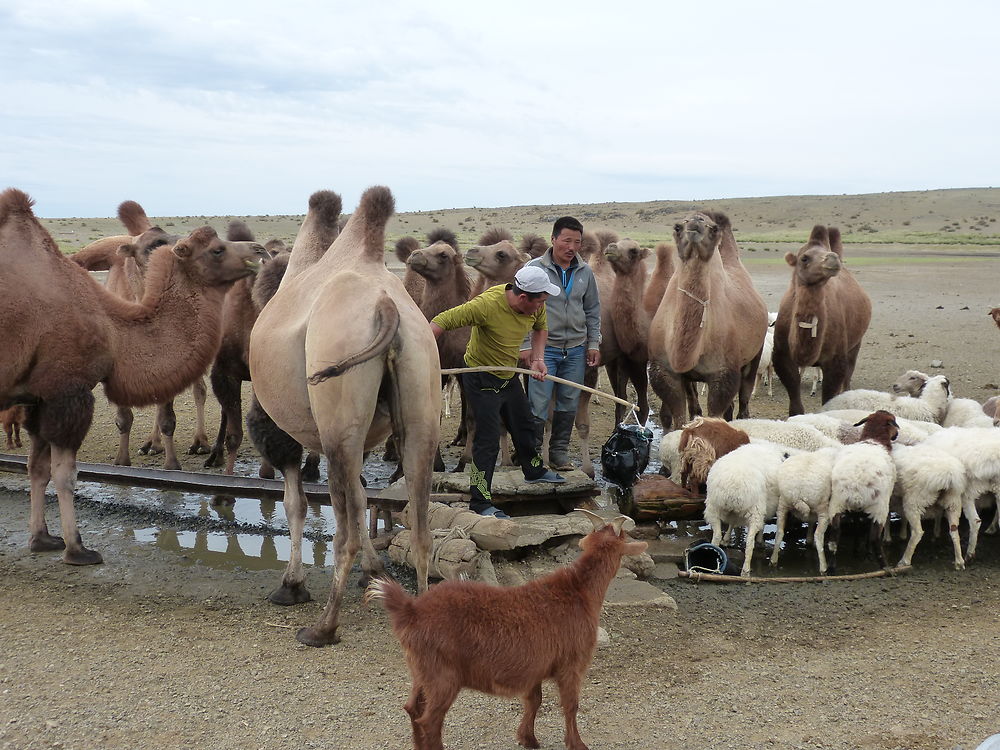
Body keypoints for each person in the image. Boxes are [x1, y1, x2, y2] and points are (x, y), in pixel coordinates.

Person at [430, 265, 566, 519]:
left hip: (507, 374)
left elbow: (540, 329)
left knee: (524, 425)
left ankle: (533, 470)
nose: (542, 306)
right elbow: (441, 321)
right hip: (481, 378)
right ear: (524, 297)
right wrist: (423, 354)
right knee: (488, 440)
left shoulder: (537, 302)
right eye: (539, 302)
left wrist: (537, 358)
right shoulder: (486, 305)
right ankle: (480, 502)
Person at [519, 216, 601, 471]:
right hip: (545, 349)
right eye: (566, 240)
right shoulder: (534, 269)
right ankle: (532, 457)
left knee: (569, 402)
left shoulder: (585, 272)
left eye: (577, 242)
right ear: (553, 239)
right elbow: (519, 309)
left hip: (575, 348)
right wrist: (525, 345)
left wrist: (593, 343)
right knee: (538, 403)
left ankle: (558, 454)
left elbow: (592, 310)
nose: (572, 247)